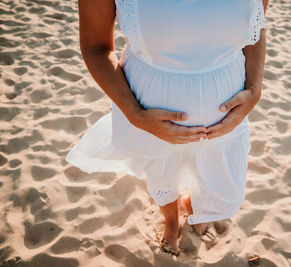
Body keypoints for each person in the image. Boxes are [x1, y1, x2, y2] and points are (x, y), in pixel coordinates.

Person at [66, 0, 268, 256]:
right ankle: (171, 220)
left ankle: (192, 204)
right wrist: (136, 114)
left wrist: (255, 88)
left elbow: (256, 26)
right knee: (162, 175)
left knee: (212, 172)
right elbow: (96, 47)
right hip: (150, 119)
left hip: (227, 122)